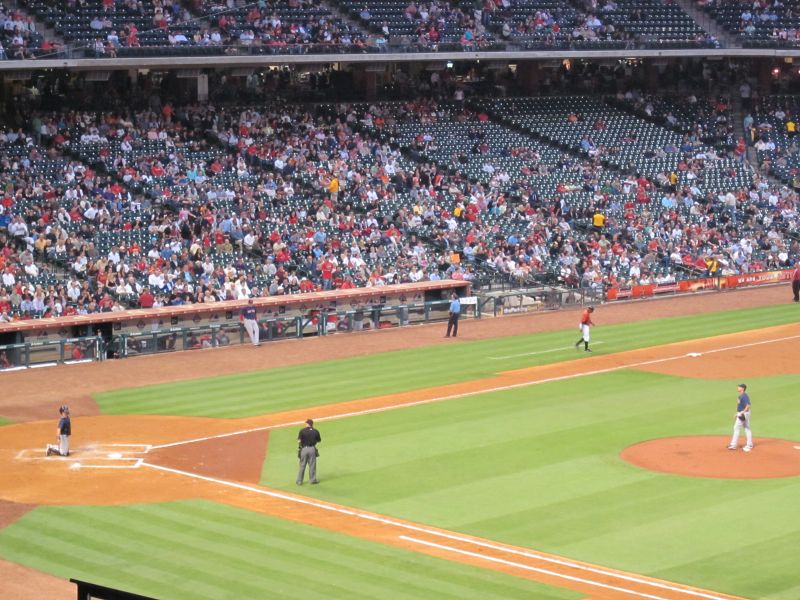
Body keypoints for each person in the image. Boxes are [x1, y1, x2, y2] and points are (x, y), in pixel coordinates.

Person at [728, 383, 753, 452]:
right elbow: (740, 406)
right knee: (746, 428)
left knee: (737, 428)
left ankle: (733, 445)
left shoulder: (744, 396)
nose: (738, 388)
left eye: (739, 387)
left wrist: (741, 413)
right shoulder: (741, 396)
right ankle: (749, 444)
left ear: (742, 388)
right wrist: (738, 413)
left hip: (744, 413)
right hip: (743, 413)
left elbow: (748, 406)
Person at [297, 419, 321, 485]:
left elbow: (299, 441)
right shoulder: (316, 431)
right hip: (312, 449)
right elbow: (319, 440)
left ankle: (299, 481)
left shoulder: (302, 431)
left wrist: (300, 446)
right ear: (312, 424)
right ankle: (312, 480)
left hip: (304, 449)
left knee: (302, 465)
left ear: (307, 424)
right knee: (312, 465)